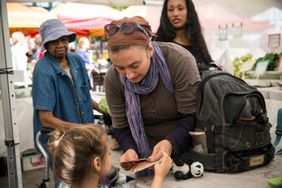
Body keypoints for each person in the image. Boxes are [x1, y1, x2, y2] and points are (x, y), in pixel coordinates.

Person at [104, 16, 200, 177]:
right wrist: (130, 149)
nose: (129, 75)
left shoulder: (179, 61)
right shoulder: (113, 79)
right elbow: (120, 127)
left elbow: (192, 117)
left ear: (150, 49)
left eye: (135, 65)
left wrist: (171, 143)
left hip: (188, 156)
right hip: (145, 158)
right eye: (120, 68)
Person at [32, 19, 102, 187]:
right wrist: (81, 129)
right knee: (68, 182)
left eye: (63, 39)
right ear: (46, 45)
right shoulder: (43, 70)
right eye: (54, 41)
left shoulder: (76, 61)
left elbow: (83, 96)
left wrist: (104, 109)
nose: (60, 45)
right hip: (59, 140)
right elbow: (46, 118)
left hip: (84, 135)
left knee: (90, 179)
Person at [48, 125, 172, 188]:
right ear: (97, 163)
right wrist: (159, 177)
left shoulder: (65, 184)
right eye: (108, 153)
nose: (111, 155)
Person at [156, 0, 214, 72]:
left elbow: (208, 64)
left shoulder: (197, 41)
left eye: (180, 8)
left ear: (189, 11)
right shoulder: (160, 45)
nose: (175, 14)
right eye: (170, 10)